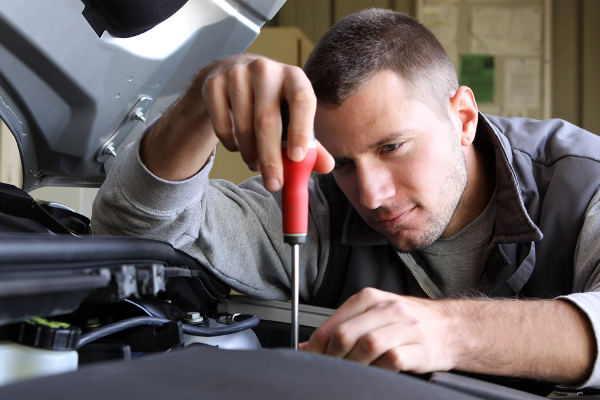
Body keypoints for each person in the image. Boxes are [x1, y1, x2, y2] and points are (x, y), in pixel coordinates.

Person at [92, 8, 600, 389]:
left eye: (392, 147)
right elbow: (134, 232)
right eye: (346, 163)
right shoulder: (320, 203)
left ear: (463, 117)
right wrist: (199, 103)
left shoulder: (582, 184)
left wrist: (446, 330)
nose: (373, 195)